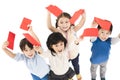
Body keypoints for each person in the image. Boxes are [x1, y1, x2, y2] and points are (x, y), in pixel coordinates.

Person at [47, 10, 86, 80]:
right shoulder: (57, 31)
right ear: (58, 24)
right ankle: (69, 76)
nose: (64, 25)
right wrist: (49, 13)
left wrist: (83, 16)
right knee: (65, 67)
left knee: (76, 65)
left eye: (66, 22)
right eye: (61, 22)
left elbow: (81, 24)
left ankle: (78, 74)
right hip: (64, 55)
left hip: (74, 54)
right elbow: (49, 26)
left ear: (70, 22)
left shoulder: (73, 29)